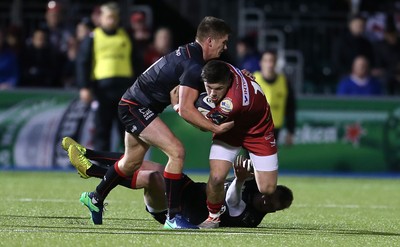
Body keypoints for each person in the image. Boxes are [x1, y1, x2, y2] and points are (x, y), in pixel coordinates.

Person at [78, 16, 234, 229]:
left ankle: (95, 198)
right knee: (177, 152)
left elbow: (182, 103)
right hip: (136, 106)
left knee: (131, 162)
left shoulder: (191, 54)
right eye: (223, 42)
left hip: (134, 104)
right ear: (209, 41)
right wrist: (215, 128)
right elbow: (186, 110)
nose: (225, 47)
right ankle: (173, 217)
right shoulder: (194, 64)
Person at [62, 137, 293, 227]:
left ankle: (93, 171)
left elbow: (231, 202)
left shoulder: (252, 218)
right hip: (190, 189)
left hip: (181, 211)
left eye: (272, 207)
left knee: (151, 177)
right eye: (270, 198)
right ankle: (88, 154)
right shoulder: (255, 185)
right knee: (149, 165)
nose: (266, 202)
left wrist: (240, 181)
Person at [188, 60, 279, 228]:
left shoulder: (232, 103)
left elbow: (204, 126)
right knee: (216, 177)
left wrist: (180, 106)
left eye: (218, 89)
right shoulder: (225, 67)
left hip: (258, 131)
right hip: (231, 130)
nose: (212, 94)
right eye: (209, 87)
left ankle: (244, 184)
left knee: (267, 188)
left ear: (229, 81)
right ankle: (214, 216)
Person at [75, 2, 134, 151]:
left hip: (124, 88)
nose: (111, 21)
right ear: (100, 18)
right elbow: (83, 62)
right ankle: (103, 164)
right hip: (102, 89)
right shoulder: (93, 37)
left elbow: (136, 61)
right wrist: (84, 87)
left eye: (114, 17)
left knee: (127, 128)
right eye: (108, 17)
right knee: (102, 128)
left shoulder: (126, 36)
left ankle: (129, 163)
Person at [253, 50, 296, 144]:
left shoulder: (284, 82)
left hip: (274, 129)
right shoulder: (253, 80)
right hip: (254, 128)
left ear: (276, 63)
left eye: (272, 61)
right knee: (250, 158)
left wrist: (290, 131)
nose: (269, 64)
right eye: (266, 61)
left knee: (270, 158)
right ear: (261, 63)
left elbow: (290, 108)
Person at [332, 14, 375, 80]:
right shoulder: (340, 41)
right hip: (346, 75)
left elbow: (370, 60)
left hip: (364, 76)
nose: (359, 27)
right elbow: (336, 61)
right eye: (356, 24)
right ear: (350, 25)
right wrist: (351, 74)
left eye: (361, 25)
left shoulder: (366, 43)